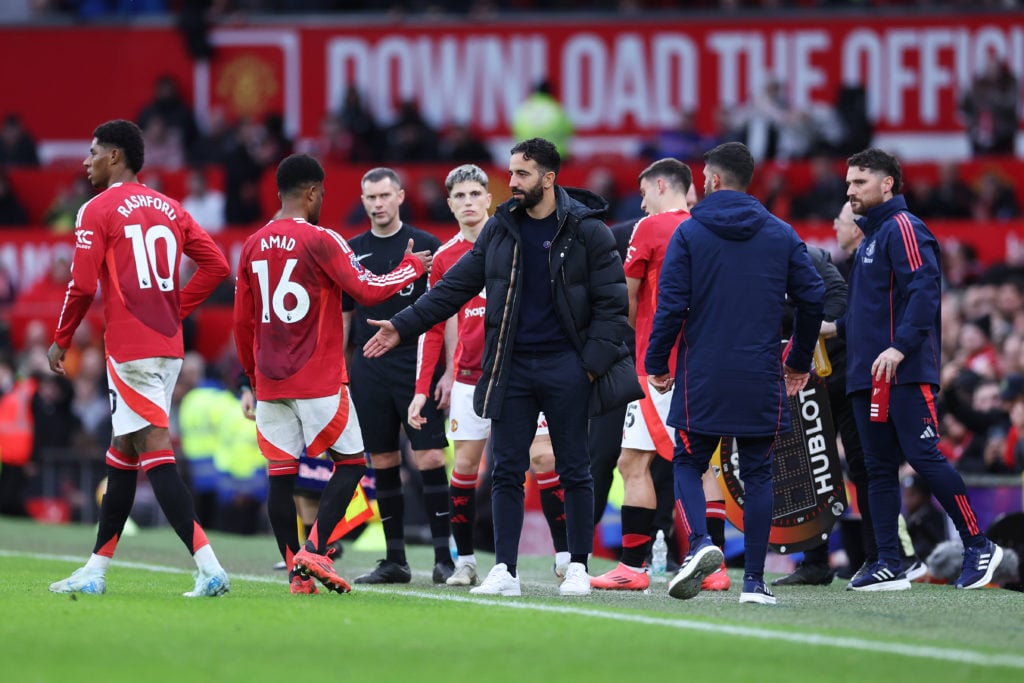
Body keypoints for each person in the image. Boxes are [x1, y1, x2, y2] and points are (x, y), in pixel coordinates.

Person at [363, 138, 639, 597]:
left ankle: (576, 566)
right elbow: (451, 289)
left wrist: (586, 368)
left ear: (549, 179)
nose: (511, 182)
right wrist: (401, 326)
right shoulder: (501, 229)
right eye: (511, 172)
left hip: (567, 369)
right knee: (507, 469)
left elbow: (614, 307)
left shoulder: (588, 231)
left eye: (523, 174)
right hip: (511, 369)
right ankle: (505, 571)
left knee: (575, 468)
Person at [47, 119, 231, 597]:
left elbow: (83, 284)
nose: (86, 161)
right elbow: (217, 266)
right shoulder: (171, 207)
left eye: (93, 152)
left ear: (115, 157)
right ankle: (96, 569)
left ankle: (209, 566)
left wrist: (62, 339)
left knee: (153, 450)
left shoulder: (96, 209)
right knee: (123, 452)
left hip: (131, 348)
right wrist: (175, 308)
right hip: (168, 346)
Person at [233, 154, 431, 594]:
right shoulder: (323, 239)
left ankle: (295, 576)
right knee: (352, 463)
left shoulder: (251, 244)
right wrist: (412, 268)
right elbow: (366, 289)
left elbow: (242, 323)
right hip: (316, 375)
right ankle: (316, 550)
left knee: (280, 476)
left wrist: (250, 376)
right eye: (321, 192)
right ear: (311, 192)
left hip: (269, 379)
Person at [646, 141, 825, 605]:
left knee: (687, 461)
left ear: (713, 181)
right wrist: (798, 360)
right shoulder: (781, 233)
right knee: (759, 473)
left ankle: (703, 545)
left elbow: (671, 306)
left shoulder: (689, 233)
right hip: (760, 373)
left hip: (701, 372)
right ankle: (755, 583)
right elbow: (813, 298)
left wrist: (655, 362)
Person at [821, 147, 1004, 591]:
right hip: (869, 373)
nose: (851, 190)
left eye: (860, 182)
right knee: (877, 468)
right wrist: (830, 329)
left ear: (887, 184)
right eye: (848, 183)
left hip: (901, 371)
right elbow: (869, 316)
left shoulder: (903, 227)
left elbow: (924, 291)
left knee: (923, 457)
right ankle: (888, 560)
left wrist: (900, 348)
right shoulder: (871, 239)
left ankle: (979, 546)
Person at [409, 163, 569, 586]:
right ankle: (465, 560)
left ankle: (566, 554)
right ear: (449, 204)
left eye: (474, 195)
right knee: (465, 465)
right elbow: (435, 322)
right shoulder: (444, 258)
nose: (467, 203)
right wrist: (426, 385)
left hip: (521, 370)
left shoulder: (519, 240)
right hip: (470, 376)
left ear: (488, 199)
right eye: (458, 197)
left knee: (542, 457)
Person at [590, 158, 728, 593]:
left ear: (663, 185)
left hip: (656, 366)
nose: (642, 200)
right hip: (701, 361)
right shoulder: (708, 230)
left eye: (644, 191)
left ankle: (633, 565)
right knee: (699, 460)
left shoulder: (649, 229)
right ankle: (718, 568)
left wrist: (643, 340)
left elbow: (625, 301)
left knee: (634, 462)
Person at [342, 167, 452, 585]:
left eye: (385, 196)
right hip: (369, 368)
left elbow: (447, 311)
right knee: (383, 460)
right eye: (370, 197)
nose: (378, 204)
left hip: (417, 364)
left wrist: (448, 371)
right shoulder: (352, 250)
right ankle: (395, 560)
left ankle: (444, 558)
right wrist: (341, 370)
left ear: (401, 196)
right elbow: (345, 314)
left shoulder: (427, 246)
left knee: (430, 457)